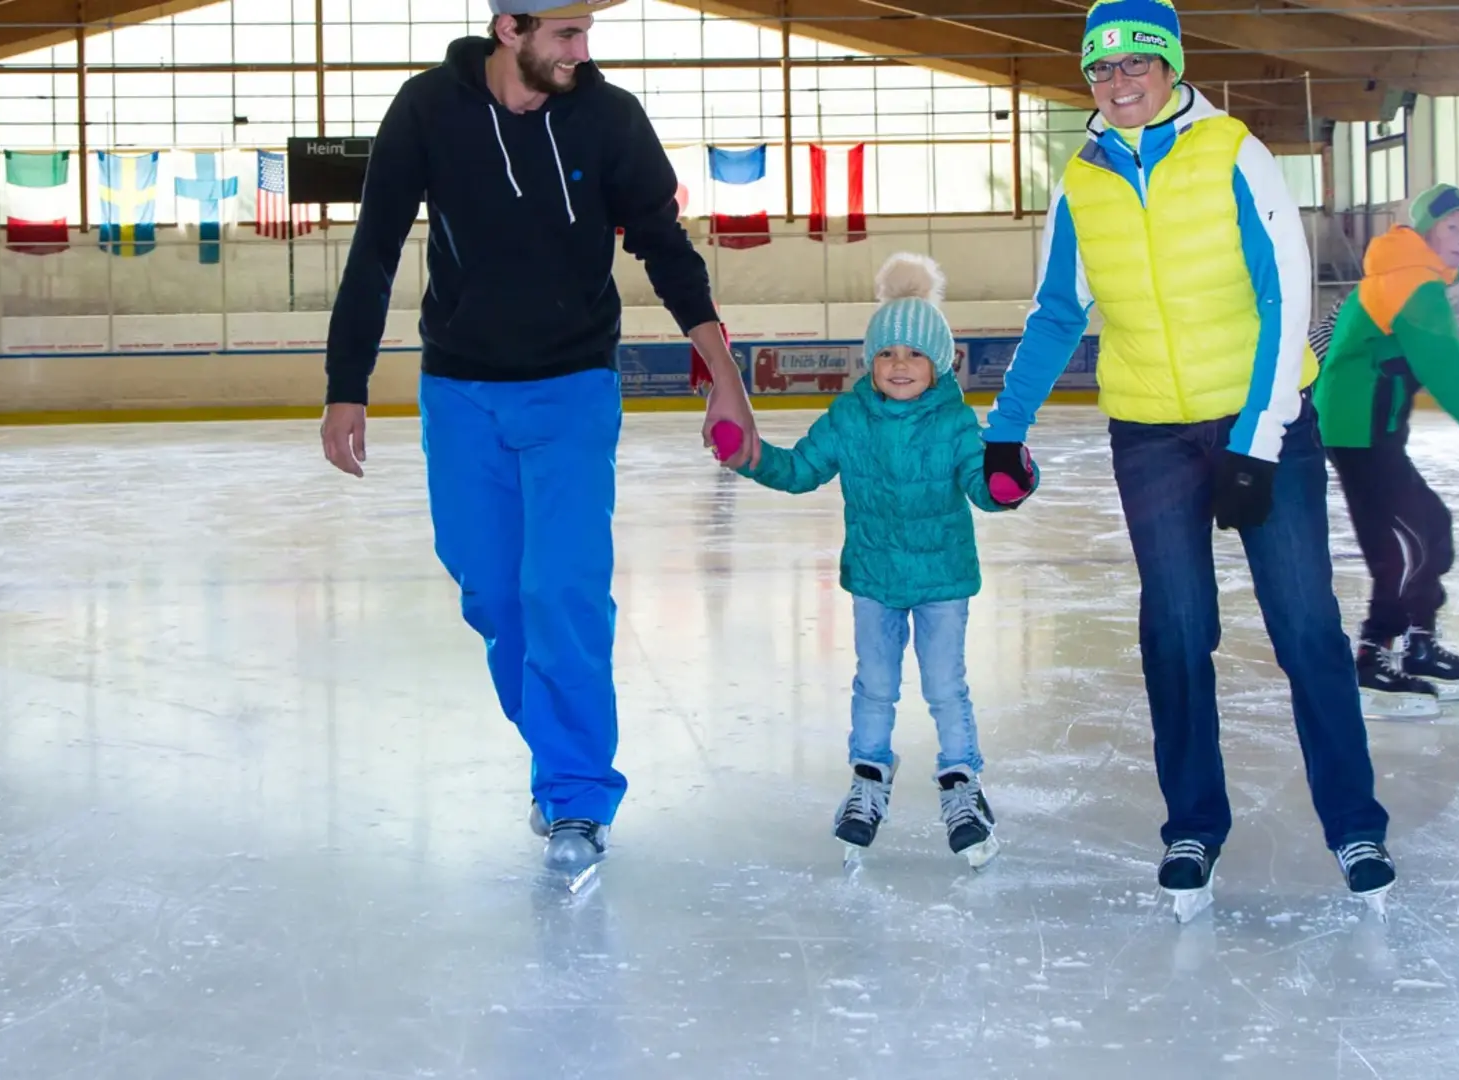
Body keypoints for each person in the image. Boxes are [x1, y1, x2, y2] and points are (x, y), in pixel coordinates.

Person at [317, 0, 759, 879]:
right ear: (510, 30)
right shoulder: (427, 109)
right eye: (565, 34)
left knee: (562, 591)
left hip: (573, 388)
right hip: (460, 390)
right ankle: (563, 749)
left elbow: (666, 247)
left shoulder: (607, 114)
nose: (581, 51)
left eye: (586, 33)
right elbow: (373, 251)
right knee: (494, 596)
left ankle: (575, 792)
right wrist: (345, 387)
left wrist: (727, 376)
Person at [977, 0, 1395, 919]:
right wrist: (1005, 429)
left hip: (1260, 420)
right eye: (1101, 67)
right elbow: (1056, 314)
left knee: (1304, 627)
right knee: (1174, 633)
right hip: (1151, 436)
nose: (1119, 82)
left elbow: (1287, 298)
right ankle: (1192, 828)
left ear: (1170, 66)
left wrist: (1257, 440)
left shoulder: (1233, 151)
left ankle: (1354, 821)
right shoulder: (1080, 180)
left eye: (1136, 63)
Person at [734, 254, 1017, 867]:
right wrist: (750, 456)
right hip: (874, 577)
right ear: (871, 360)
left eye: (913, 354)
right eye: (886, 353)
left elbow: (982, 483)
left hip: (942, 579)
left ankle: (962, 784)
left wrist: (1009, 483)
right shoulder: (849, 417)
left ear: (938, 362)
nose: (898, 365)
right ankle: (869, 776)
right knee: (875, 685)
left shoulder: (954, 420)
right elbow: (801, 470)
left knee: (945, 686)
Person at [1311, 184, 1459, 718]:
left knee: (1429, 527)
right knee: (1406, 542)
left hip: (1367, 427)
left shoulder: (1402, 275)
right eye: (1453, 228)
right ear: (1426, 227)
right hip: (1357, 429)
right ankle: (1374, 654)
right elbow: (1448, 371)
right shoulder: (1413, 283)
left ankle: (1418, 643)